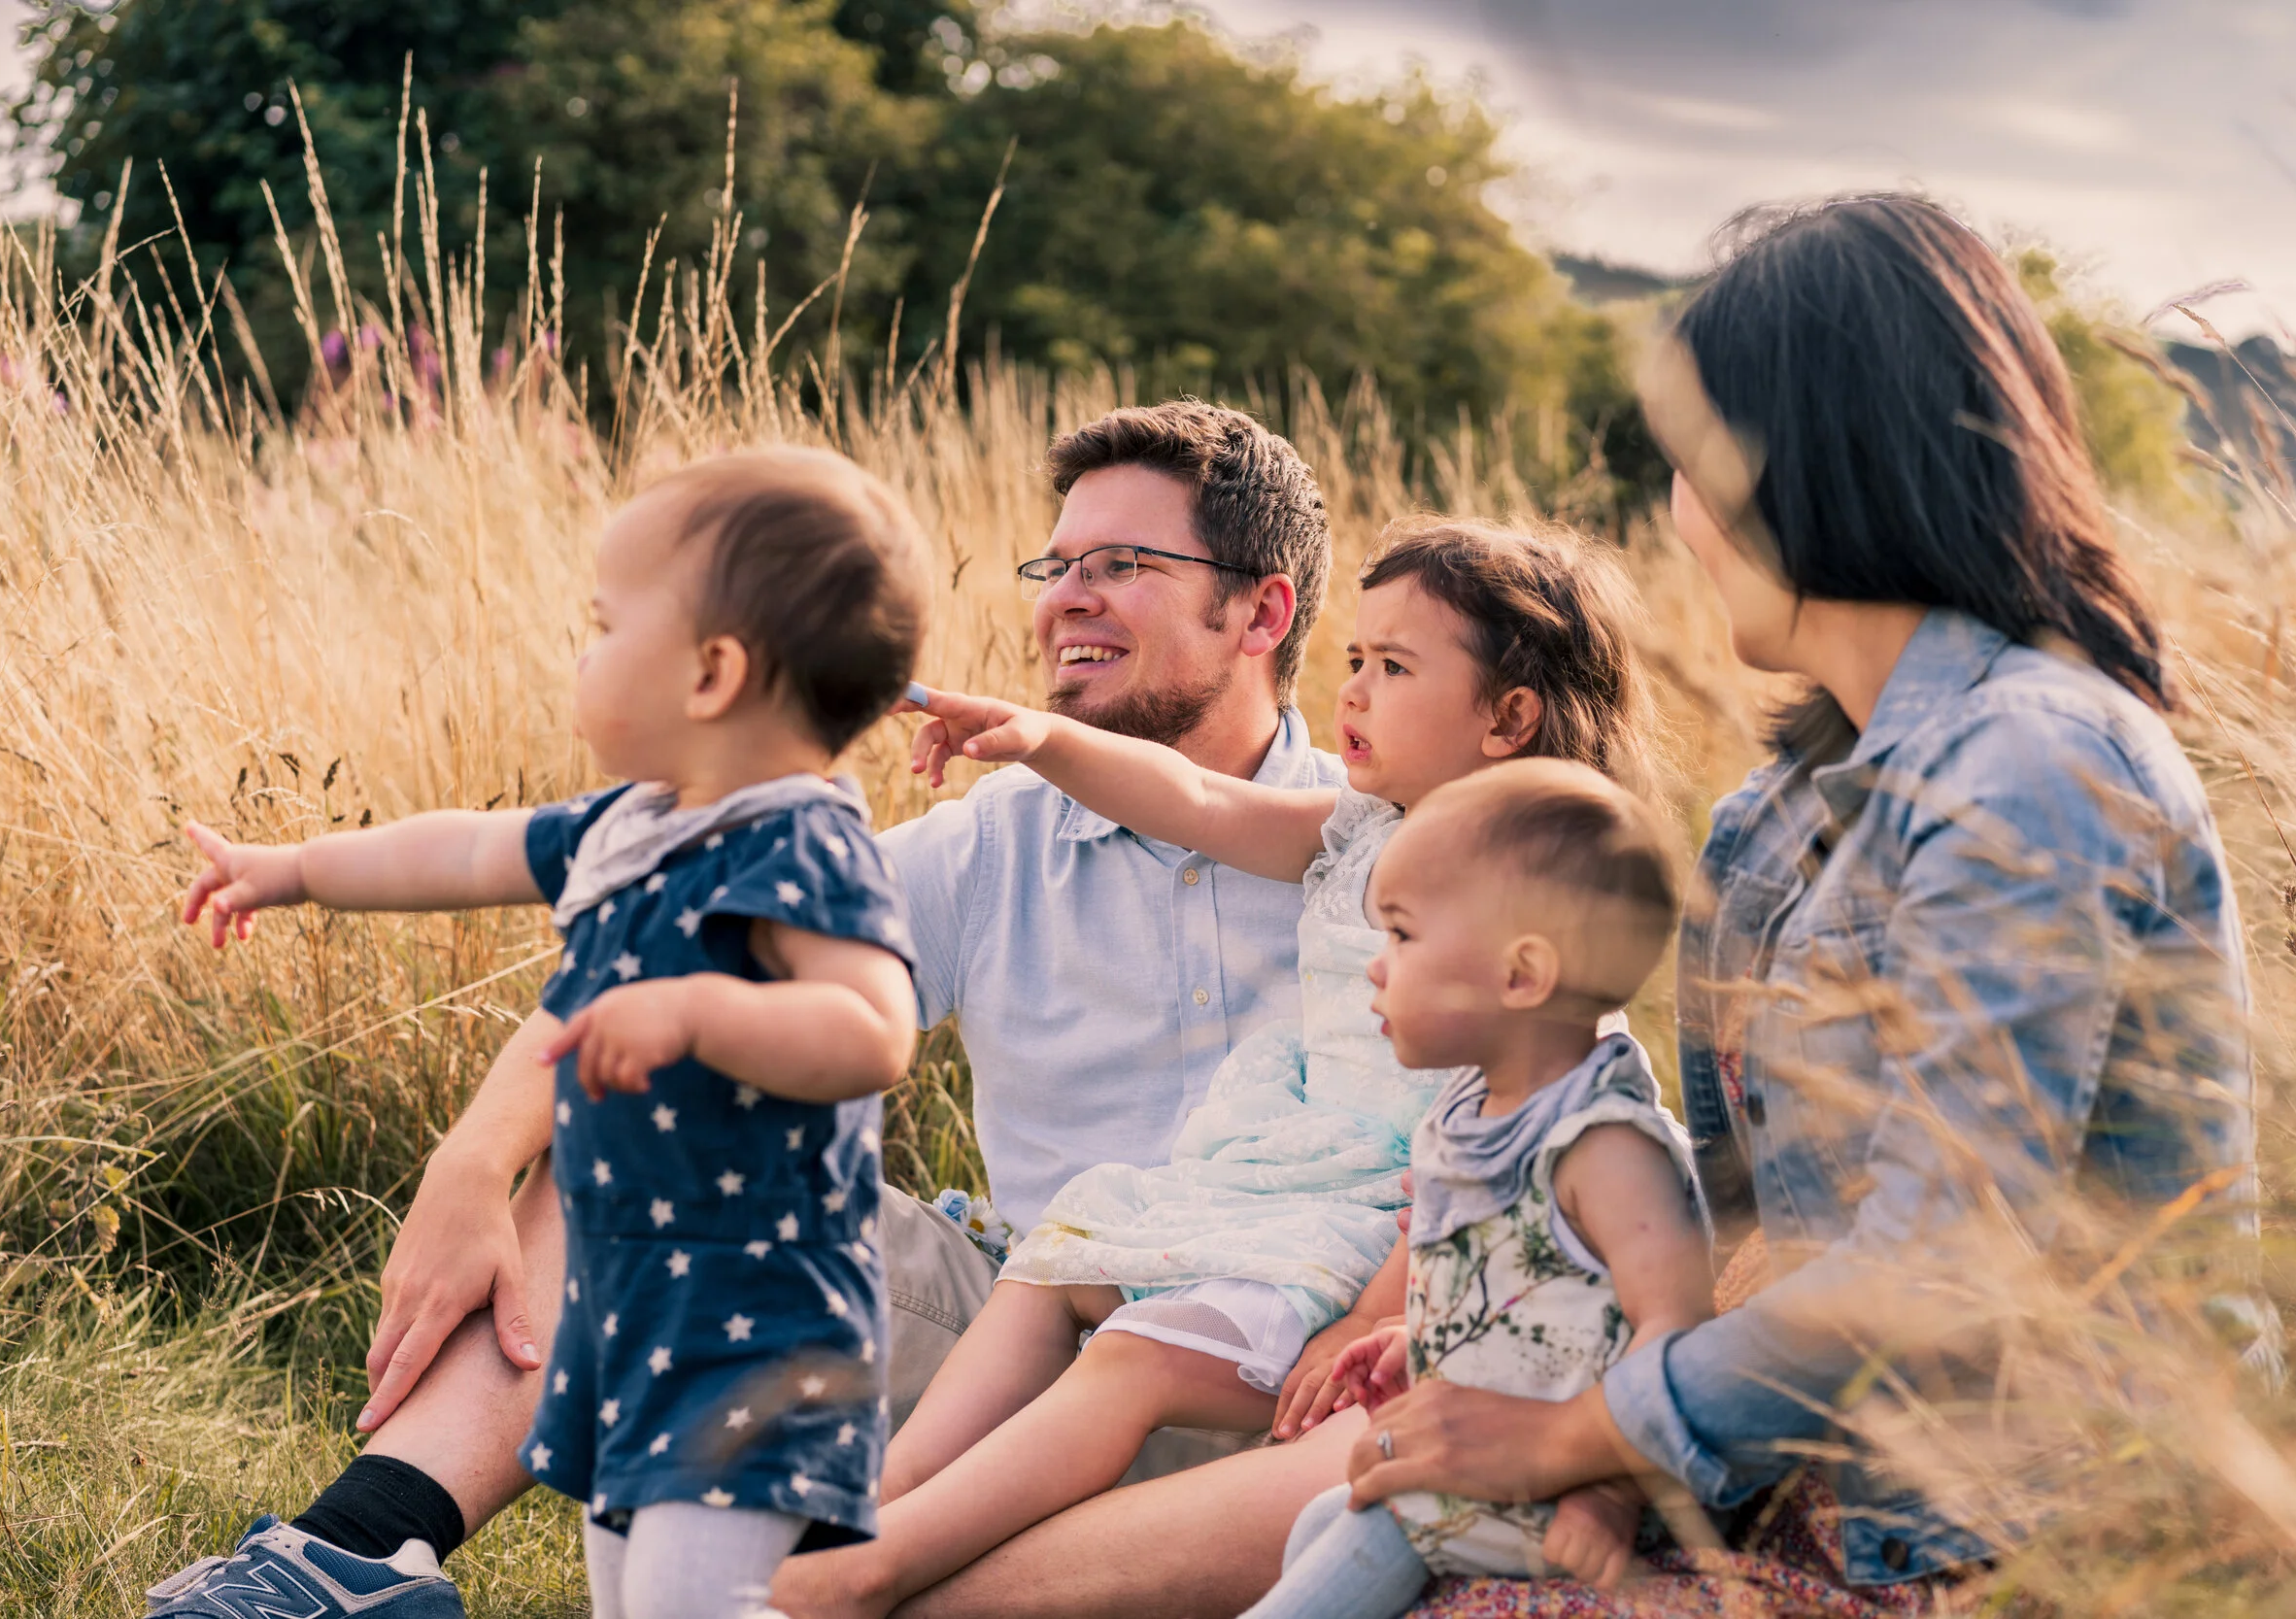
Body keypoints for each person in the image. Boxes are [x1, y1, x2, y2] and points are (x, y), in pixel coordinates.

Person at [143, 400, 1377, 1619]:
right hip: (1013, 1355)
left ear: (1260, 610)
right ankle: (347, 1559)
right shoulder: (992, 840)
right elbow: (664, 959)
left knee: (1375, 1467)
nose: (1067, 595)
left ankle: (855, 1590)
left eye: (1123, 564)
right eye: (1054, 565)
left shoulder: (1395, 853)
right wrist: (472, 1161)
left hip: (1300, 1382)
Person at [1333, 194, 2270, 1618]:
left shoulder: (2032, 763)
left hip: (2040, 1528)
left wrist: (1574, 1430)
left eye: (1688, 469)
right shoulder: (1772, 818)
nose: (1679, 524)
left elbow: (1938, 1261)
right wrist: (1515, 1345)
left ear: (1795, 461)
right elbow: (1736, 1232)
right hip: (1807, 1474)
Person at [767, 519, 1665, 1619]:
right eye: (1353, 661)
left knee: (1133, 1357)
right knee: (1050, 1267)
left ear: (1507, 716)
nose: (1356, 693)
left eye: (1394, 667)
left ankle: (878, 1565)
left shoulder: (1530, 931)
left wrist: (1357, 1321)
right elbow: (1193, 802)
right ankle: (882, 1501)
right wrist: (1041, 737)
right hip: (1276, 1176)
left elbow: (1465, 1169)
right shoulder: (1361, 828)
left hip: (1359, 1236)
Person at [166, 450, 927, 1619]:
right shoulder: (634, 825)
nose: (582, 650)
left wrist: (695, 1008)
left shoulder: (804, 845)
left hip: (762, 1331)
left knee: (696, 1598)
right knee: (630, 1593)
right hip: (639, 1312)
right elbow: (464, 847)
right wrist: (298, 869)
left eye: (605, 623)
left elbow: (875, 1030)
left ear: (714, 672)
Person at [1240, 759, 1712, 1619]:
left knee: (1352, 1551)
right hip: (1471, 1461)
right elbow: (1526, 1293)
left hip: (1544, 1491)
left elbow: (1672, 1326)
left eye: (1403, 937)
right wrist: (1418, 1340)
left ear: (1521, 974)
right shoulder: (1471, 1105)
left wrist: (1603, 1492)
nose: (1376, 969)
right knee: (1317, 1526)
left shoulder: (1602, 1145)